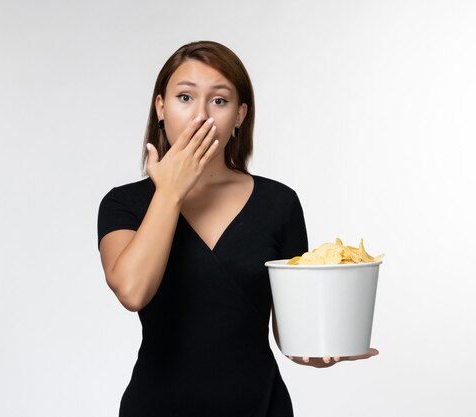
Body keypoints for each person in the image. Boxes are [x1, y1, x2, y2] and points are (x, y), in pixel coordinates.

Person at [97, 40, 378, 417]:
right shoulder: (123, 204)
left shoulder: (279, 203)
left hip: (260, 406)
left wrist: (317, 350)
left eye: (219, 100)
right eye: (184, 97)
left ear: (240, 115)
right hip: (157, 406)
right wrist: (170, 192)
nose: (201, 115)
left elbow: (290, 330)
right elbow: (132, 291)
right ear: (160, 108)